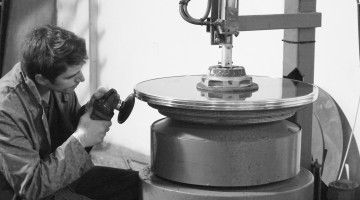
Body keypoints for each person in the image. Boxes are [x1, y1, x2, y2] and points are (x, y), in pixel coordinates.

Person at [0, 25, 139, 200]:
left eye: (79, 70)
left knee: (135, 184)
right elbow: (31, 187)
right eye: (71, 76)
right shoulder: (6, 111)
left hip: (60, 179)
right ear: (41, 78)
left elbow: (67, 139)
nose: (81, 79)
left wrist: (90, 112)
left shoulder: (58, 87)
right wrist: (81, 139)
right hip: (26, 193)